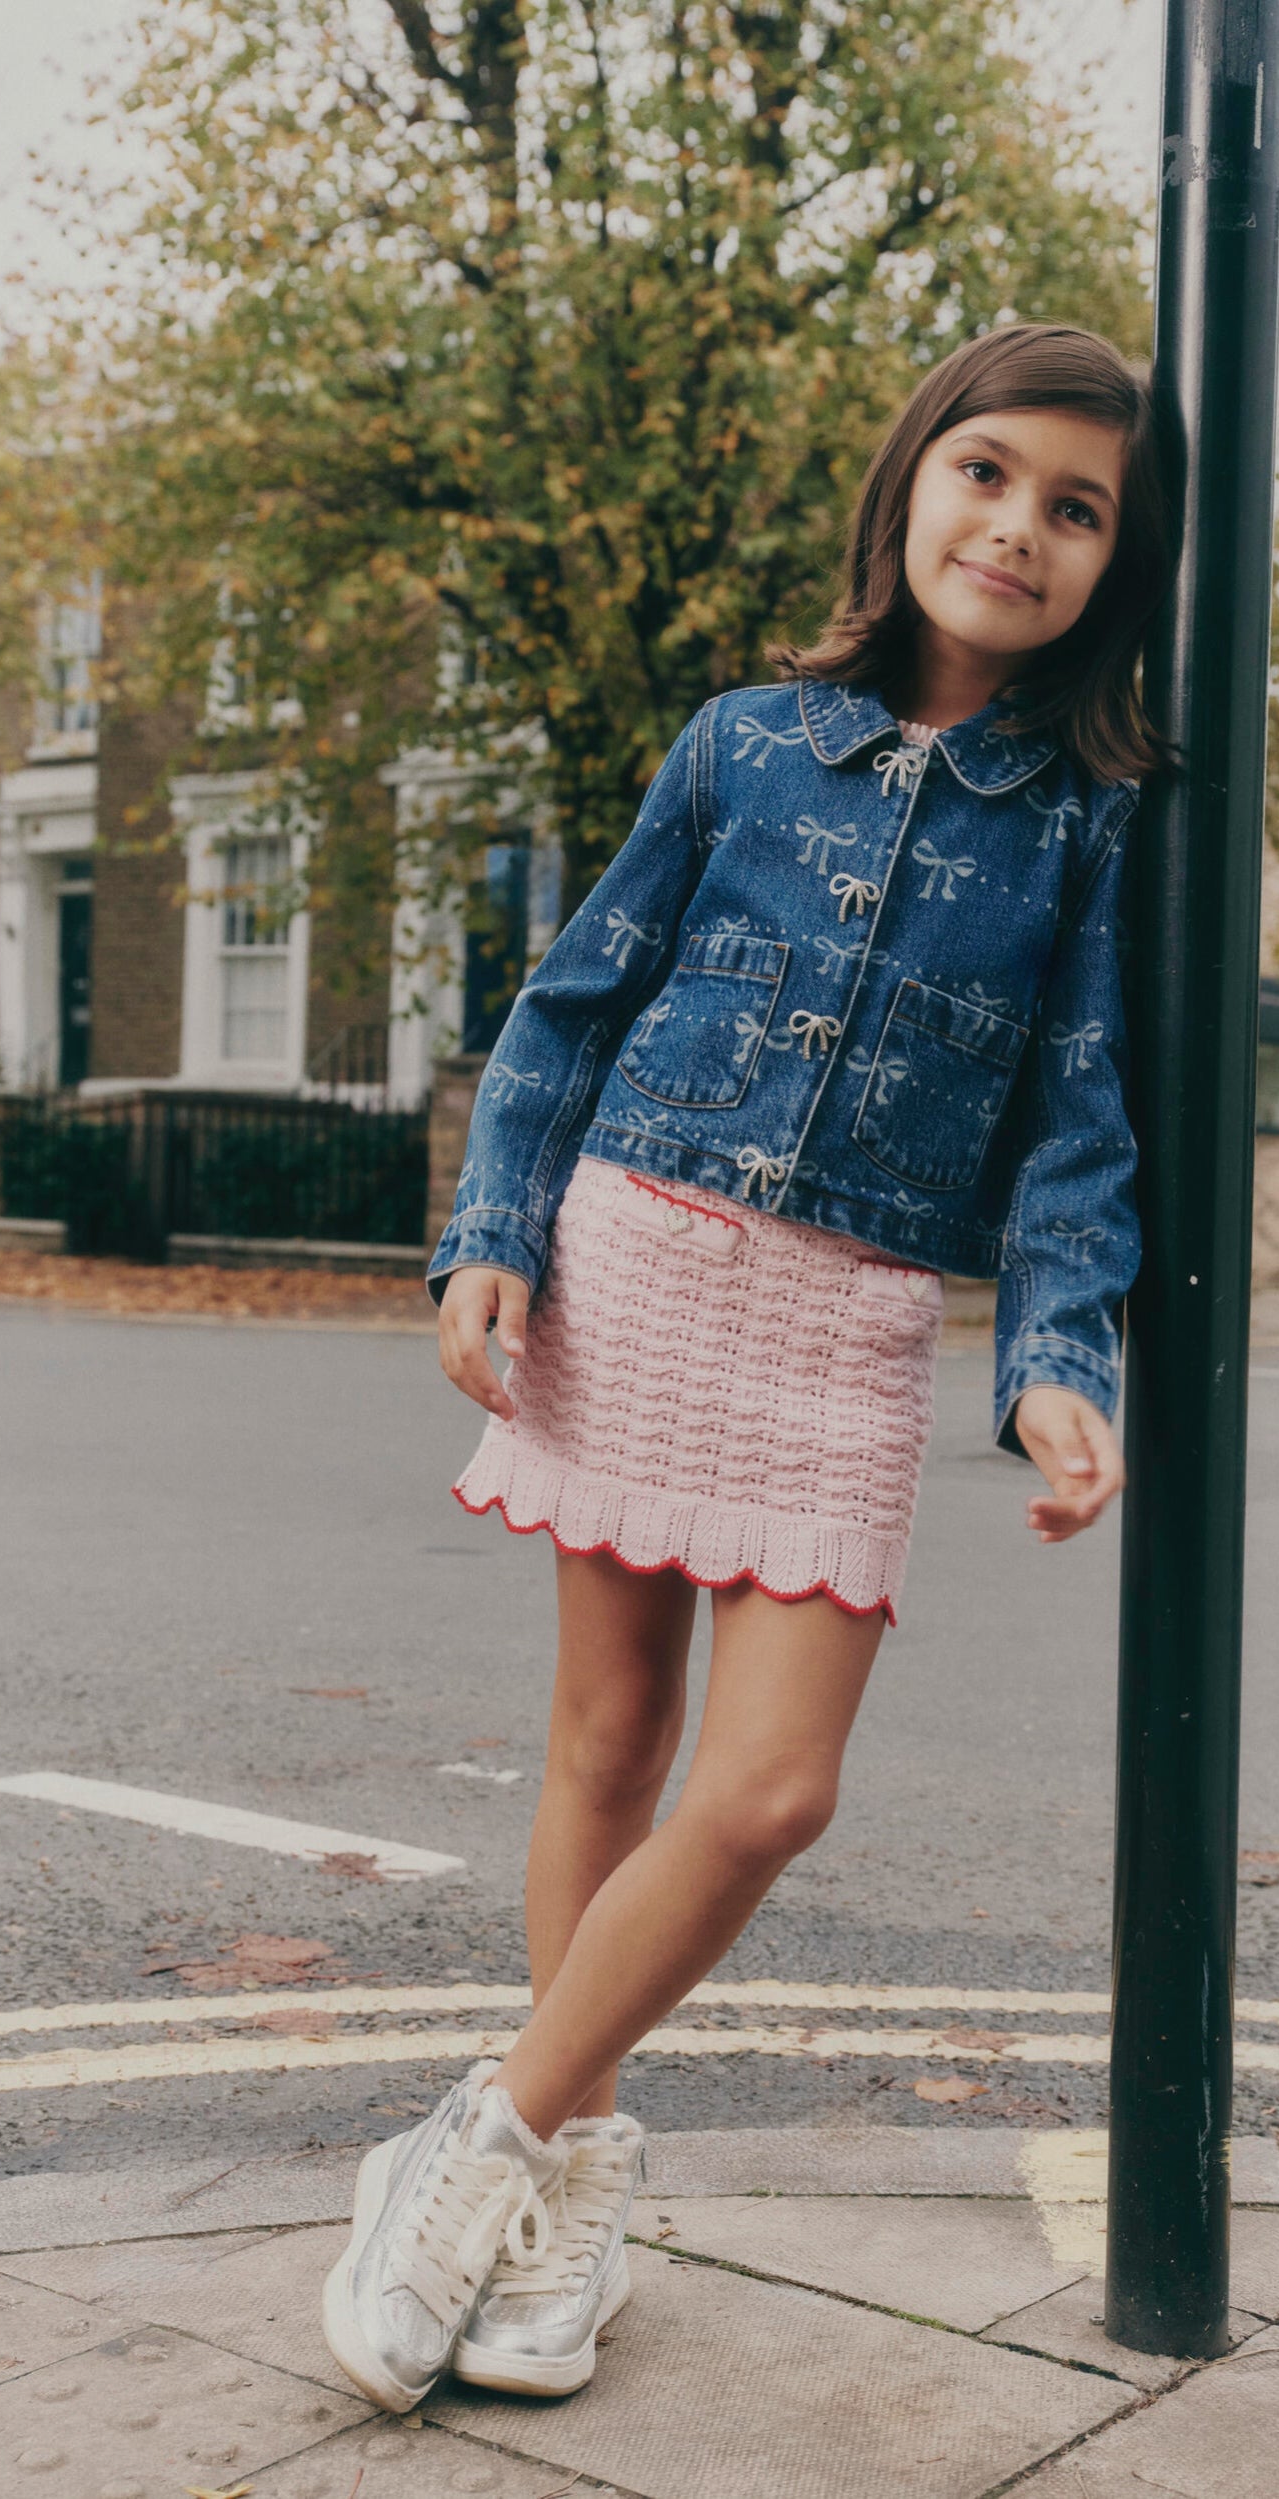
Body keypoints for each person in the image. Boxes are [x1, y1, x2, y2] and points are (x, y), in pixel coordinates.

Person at [321, 321, 1168, 2413]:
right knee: (606, 1745)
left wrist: (1060, 1355)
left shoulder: (1084, 822)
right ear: (908, 484)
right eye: (987, 473)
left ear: (1109, 569)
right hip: (638, 1251)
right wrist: (490, 1230)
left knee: (769, 1786)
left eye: (1075, 509)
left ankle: (484, 2134)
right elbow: (570, 996)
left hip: (849, 1321)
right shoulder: (737, 743)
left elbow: (1079, 1124)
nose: (1018, 527)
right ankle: (568, 2181)